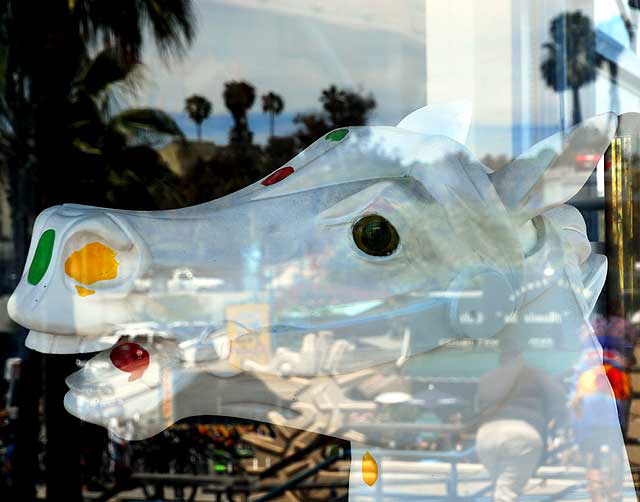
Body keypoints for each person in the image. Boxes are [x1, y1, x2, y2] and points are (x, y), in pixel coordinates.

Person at [474, 338, 567, 502]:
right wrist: (558, 420)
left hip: (486, 435)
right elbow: (558, 396)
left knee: (501, 487)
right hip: (522, 432)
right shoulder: (534, 372)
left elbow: (475, 408)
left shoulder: (487, 377)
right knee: (506, 492)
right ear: (520, 358)